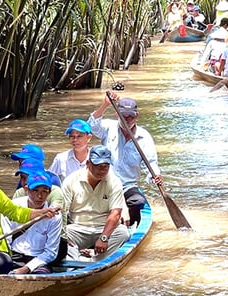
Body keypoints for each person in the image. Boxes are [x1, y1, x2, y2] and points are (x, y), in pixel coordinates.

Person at [88, 94, 162, 227]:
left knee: (138, 202)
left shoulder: (144, 137)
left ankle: (130, 226)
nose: (127, 119)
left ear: (136, 116)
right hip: (105, 183)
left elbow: (150, 163)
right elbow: (92, 126)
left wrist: (154, 176)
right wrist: (105, 104)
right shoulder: (109, 128)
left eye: (130, 116)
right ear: (117, 114)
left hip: (128, 186)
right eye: (123, 116)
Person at [61, 145, 130, 260]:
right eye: (98, 166)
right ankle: (74, 259)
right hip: (78, 228)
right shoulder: (71, 180)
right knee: (59, 236)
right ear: (88, 164)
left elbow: (115, 213)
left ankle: (95, 261)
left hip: (103, 227)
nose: (102, 171)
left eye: (106, 167)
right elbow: (62, 212)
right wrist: (62, 234)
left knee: (123, 233)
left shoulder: (114, 182)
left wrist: (104, 237)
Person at [2, 172, 63, 274]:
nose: (40, 196)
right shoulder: (12, 207)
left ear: (49, 192)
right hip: (13, 255)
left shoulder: (54, 217)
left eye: (44, 191)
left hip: (38, 260)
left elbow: (51, 252)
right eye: (35, 190)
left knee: (42, 275)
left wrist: (26, 268)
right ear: (26, 189)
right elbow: (5, 240)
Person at [12, 158, 69, 263]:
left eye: (27, 177)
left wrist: (28, 267)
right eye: (22, 178)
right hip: (20, 246)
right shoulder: (18, 197)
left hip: (52, 239)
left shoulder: (55, 192)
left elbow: (54, 211)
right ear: (27, 189)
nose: (39, 196)